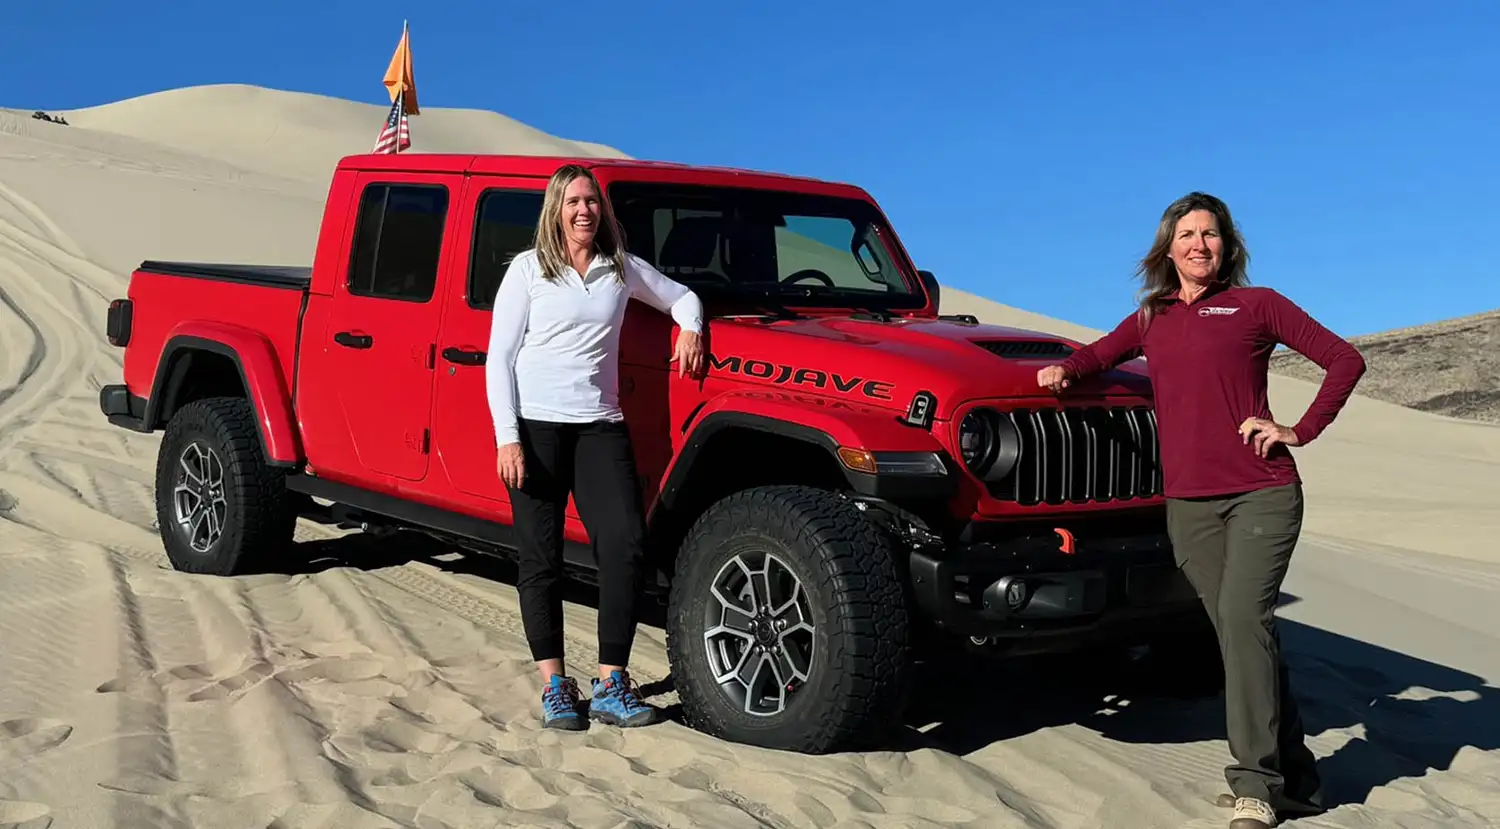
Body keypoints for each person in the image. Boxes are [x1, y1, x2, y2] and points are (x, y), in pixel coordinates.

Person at [1037, 192, 1365, 829]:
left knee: (1245, 623)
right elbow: (1100, 354)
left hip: (1259, 492)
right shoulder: (1154, 316)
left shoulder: (1256, 305)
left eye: (1210, 234)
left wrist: (1299, 428)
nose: (1198, 244)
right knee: (1243, 639)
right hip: (1188, 505)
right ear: (1168, 247)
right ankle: (1294, 778)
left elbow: (1344, 360)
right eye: (1186, 234)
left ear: (1227, 244)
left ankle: (1255, 785)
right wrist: (1064, 372)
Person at [484, 164, 706, 731]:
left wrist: (691, 329)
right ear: (556, 210)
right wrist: (507, 437)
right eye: (574, 202)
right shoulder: (528, 270)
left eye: (592, 203)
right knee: (541, 558)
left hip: (599, 425)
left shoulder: (619, 268)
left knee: (626, 546)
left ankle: (611, 682)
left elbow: (682, 297)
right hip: (535, 427)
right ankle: (555, 686)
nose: (585, 211)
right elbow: (499, 359)